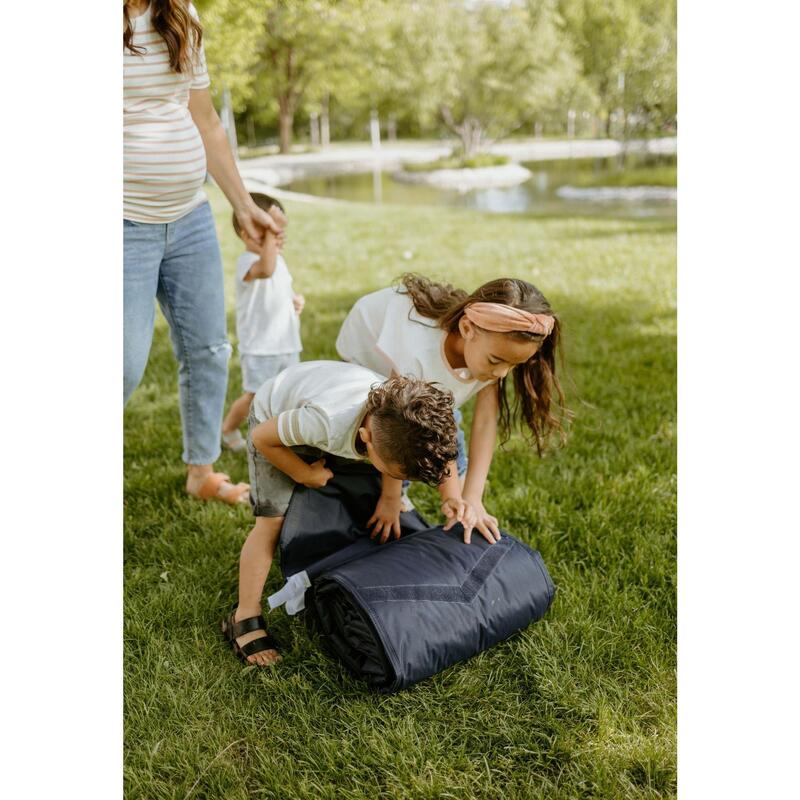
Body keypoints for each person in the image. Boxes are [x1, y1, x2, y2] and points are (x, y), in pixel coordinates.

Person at [123, 0, 285, 503]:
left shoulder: (179, 13)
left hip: (189, 215)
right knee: (121, 364)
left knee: (208, 350)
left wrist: (242, 205)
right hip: (121, 221)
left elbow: (205, 119)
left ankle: (202, 471)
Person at [221, 361, 460, 667]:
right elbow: (262, 438)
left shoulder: (399, 419)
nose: (397, 480)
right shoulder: (325, 423)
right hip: (274, 422)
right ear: (366, 437)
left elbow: (402, 455)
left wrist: (390, 497)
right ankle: (244, 616)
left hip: (325, 409)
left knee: (376, 485)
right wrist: (304, 473)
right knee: (272, 523)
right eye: (393, 473)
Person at [336, 274, 568, 544]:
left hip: (421, 381)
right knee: (398, 438)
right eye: (496, 361)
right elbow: (395, 423)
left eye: (513, 365)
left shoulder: (492, 352)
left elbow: (484, 422)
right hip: (368, 361)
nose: (502, 373)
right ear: (468, 328)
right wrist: (391, 498)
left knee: (443, 422)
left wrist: (470, 498)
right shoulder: (415, 354)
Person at [221, 193, 304, 453]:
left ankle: (280, 434)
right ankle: (227, 429)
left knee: (288, 392)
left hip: (285, 342)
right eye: (269, 229)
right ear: (247, 235)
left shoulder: (278, 260)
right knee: (255, 395)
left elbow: (279, 289)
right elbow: (265, 270)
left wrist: (294, 301)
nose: (277, 235)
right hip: (260, 346)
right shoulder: (248, 261)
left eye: (278, 231)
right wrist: (271, 234)